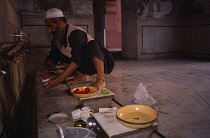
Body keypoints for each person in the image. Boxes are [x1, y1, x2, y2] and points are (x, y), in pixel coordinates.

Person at [41, 8, 114, 89]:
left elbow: (77, 59)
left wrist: (58, 80)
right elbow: (52, 56)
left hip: (100, 62)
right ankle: (80, 76)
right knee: (61, 54)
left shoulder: (76, 33)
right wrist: (46, 69)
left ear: (59, 23)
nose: (49, 30)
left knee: (93, 44)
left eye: (51, 26)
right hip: (84, 65)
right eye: (47, 27)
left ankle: (101, 80)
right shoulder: (57, 39)